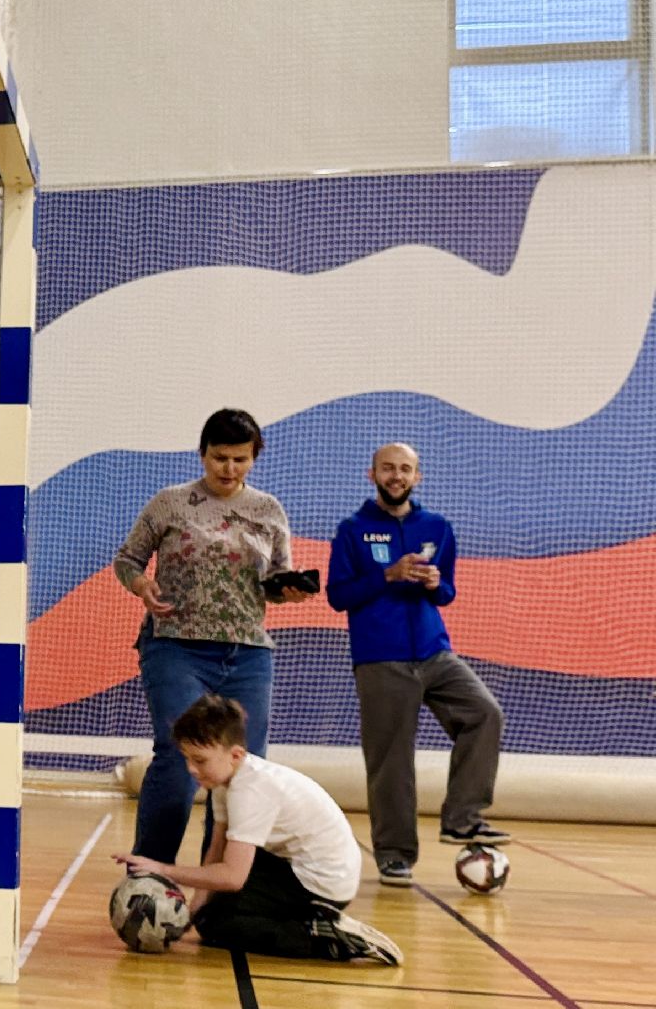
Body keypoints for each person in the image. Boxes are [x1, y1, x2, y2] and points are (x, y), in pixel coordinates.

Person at [113, 408, 311, 868]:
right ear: (202, 454)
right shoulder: (171, 502)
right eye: (220, 457)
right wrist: (142, 586)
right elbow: (128, 560)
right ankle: (150, 872)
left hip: (249, 653)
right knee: (178, 758)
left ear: (254, 458)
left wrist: (289, 591)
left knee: (243, 766)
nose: (229, 469)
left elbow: (274, 581)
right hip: (176, 646)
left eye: (241, 459)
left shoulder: (269, 511)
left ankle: (220, 880)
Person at [327, 442, 508, 888]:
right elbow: (337, 596)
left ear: (417, 477)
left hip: (435, 652)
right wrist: (386, 576)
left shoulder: (437, 527)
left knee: (484, 713)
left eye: (405, 469)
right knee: (391, 760)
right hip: (380, 658)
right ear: (372, 475)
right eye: (388, 468)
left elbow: (447, 592)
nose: (396, 475)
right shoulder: (353, 529)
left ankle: (462, 819)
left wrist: (434, 582)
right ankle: (394, 855)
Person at [113, 695, 402, 965]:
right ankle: (308, 921)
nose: (190, 769)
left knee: (218, 927)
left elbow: (232, 876)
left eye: (199, 760)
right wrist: (192, 910)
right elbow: (216, 854)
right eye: (187, 759)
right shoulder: (228, 782)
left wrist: (162, 869)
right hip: (302, 866)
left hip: (323, 884)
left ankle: (323, 936)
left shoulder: (250, 791)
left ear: (235, 754)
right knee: (208, 915)